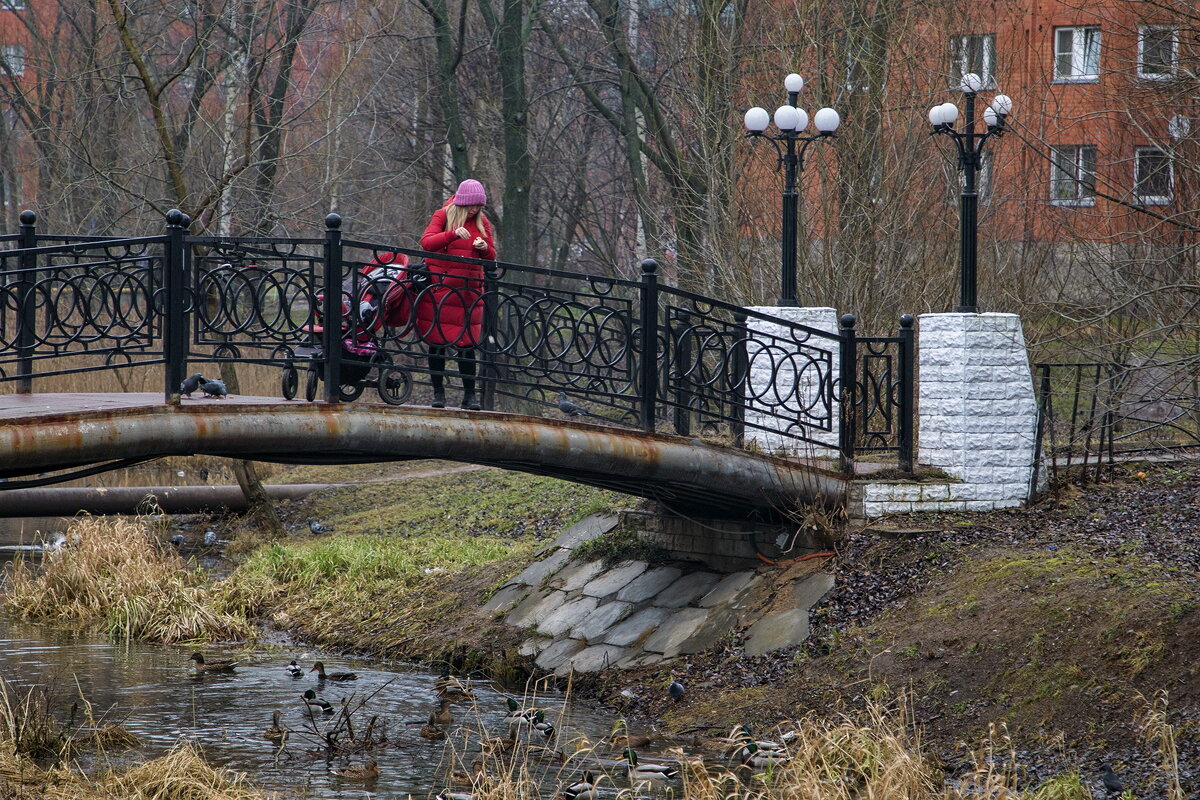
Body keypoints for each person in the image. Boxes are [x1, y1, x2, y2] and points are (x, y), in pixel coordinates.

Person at [418, 178, 496, 410]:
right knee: (437, 343)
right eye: (471, 205)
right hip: (442, 291)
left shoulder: (483, 222)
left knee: (467, 345)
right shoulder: (442, 215)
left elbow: (491, 257)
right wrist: (452, 234)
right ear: (462, 202)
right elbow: (427, 243)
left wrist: (485, 249)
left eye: (478, 206)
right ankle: (438, 393)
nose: (475, 210)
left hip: (469, 293)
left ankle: (469, 396)